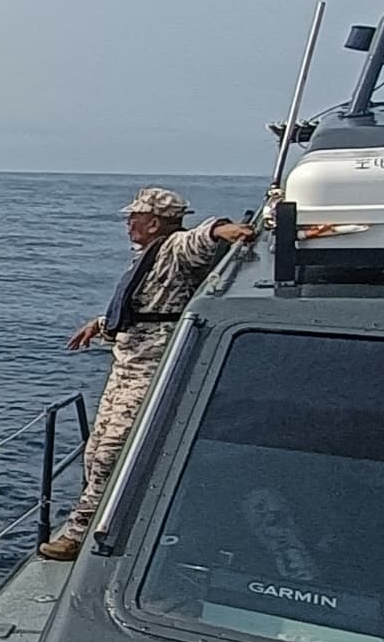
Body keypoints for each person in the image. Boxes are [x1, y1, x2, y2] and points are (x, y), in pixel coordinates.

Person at [40, 188, 255, 561]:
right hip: (127, 362)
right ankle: (100, 513)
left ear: (154, 221)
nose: (128, 224)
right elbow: (147, 305)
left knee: (112, 451)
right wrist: (102, 325)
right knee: (94, 451)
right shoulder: (148, 257)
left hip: (149, 365)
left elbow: (198, 240)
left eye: (134, 218)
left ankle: (77, 534)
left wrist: (223, 229)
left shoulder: (172, 248)